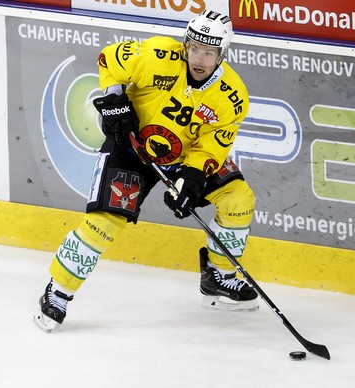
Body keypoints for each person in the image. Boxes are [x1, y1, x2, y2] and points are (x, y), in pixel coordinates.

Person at [34, 10, 258, 333]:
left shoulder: (233, 97)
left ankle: (217, 276)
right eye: (194, 48)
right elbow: (109, 59)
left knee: (238, 198)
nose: (199, 58)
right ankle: (59, 290)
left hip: (185, 157)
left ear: (223, 54)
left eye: (209, 53)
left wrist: (193, 178)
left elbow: (212, 145)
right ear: (186, 43)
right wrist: (114, 101)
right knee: (103, 222)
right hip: (131, 146)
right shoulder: (157, 56)